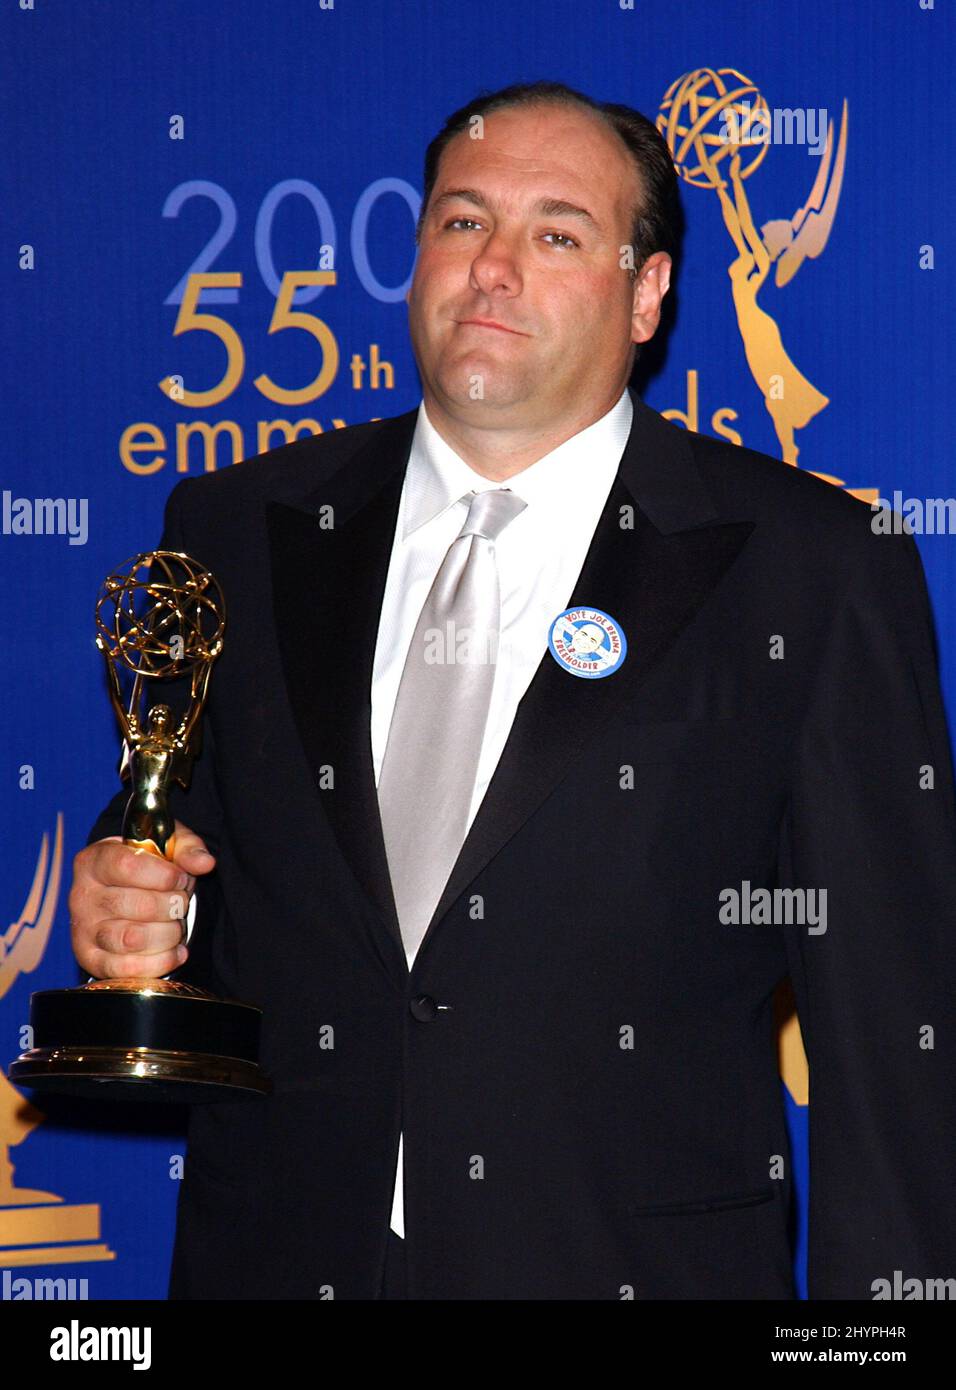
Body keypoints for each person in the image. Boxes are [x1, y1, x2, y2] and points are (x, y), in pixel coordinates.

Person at [69, 80, 956, 1300]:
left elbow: (894, 1027)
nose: (492, 269)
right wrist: (140, 919)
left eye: (555, 234)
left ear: (645, 295)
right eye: (460, 221)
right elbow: (228, 893)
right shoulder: (233, 523)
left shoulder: (808, 568)